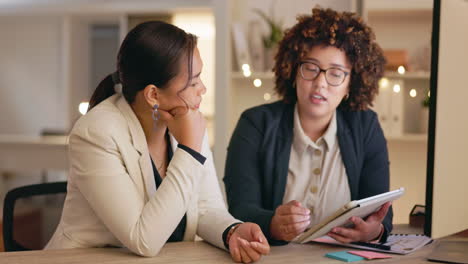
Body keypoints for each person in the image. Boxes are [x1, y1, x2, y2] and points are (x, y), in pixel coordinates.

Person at [46, 21, 270, 262]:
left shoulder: (186, 121)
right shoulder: (96, 133)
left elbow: (206, 207)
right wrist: (190, 151)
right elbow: (143, 239)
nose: (202, 89)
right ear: (153, 95)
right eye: (193, 82)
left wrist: (232, 231)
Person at [224, 7, 392, 245]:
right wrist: (272, 223)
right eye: (311, 68)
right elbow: (240, 208)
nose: (320, 83)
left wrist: (373, 232)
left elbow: (381, 210)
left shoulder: (366, 126)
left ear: (351, 84)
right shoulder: (255, 123)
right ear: (293, 71)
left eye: (335, 73)